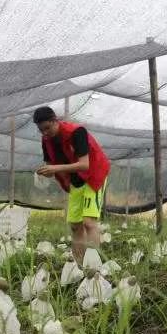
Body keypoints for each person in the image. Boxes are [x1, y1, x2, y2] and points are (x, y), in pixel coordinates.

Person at [34, 106, 111, 265]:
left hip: (93, 176)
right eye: (41, 130)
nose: (45, 133)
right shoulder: (46, 140)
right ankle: (78, 265)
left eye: (47, 128)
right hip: (75, 180)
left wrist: (55, 168)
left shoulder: (77, 132)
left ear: (55, 121)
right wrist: (45, 172)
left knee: (88, 223)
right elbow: (50, 163)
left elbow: (84, 165)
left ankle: (94, 266)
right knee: (75, 226)